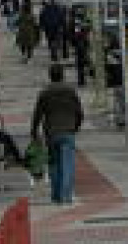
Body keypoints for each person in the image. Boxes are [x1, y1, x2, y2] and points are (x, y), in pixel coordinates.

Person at [31, 64, 83, 204]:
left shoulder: (45, 92)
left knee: (54, 164)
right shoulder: (70, 91)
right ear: (63, 75)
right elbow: (79, 112)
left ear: (50, 75)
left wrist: (34, 131)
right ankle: (65, 195)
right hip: (67, 131)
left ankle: (56, 195)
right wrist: (75, 126)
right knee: (67, 164)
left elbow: (37, 114)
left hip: (51, 132)